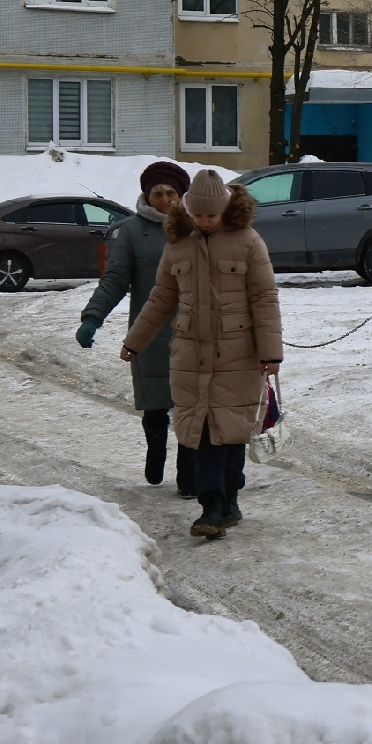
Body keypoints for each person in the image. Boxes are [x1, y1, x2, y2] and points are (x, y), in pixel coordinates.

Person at [121, 167, 282, 536]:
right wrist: (136, 341)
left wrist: (270, 353)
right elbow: (162, 298)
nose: (205, 221)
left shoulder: (248, 241)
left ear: (225, 209)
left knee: (232, 432)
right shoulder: (177, 244)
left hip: (239, 353)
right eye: (199, 214)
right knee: (205, 431)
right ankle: (211, 506)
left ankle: (230, 500)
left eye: (212, 215)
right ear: (189, 209)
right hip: (190, 353)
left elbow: (264, 298)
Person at [76, 161, 194, 494]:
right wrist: (92, 317)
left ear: (182, 195)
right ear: (147, 194)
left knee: (193, 408)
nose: (165, 199)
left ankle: (190, 476)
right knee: (156, 407)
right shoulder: (128, 231)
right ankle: (155, 451)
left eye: (171, 192)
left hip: (195, 332)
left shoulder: (197, 227)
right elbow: (114, 279)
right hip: (151, 332)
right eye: (158, 193)